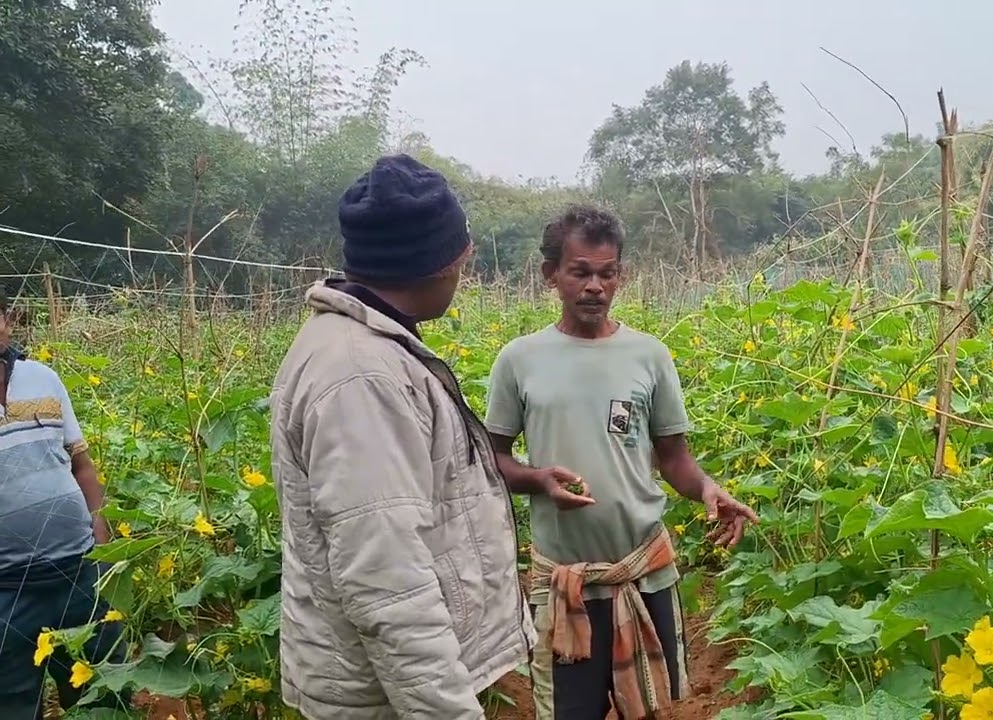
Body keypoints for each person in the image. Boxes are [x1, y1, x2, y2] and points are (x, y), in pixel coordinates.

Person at [269, 154, 534, 720]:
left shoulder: (371, 350)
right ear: (436, 263)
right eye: (463, 257)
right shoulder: (359, 376)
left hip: (386, 687)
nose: (465, 271)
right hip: (380, 698)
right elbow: (387, 581)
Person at [484, 204, 759, 720]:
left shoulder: (648, 356)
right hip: (566, 586)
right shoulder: (519, 360)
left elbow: (674, 457)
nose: (595, 285)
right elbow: (492, 459)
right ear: (551, 275)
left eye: (606, 273)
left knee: (654, 710)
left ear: (620, 276)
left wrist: (708, 490)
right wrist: (539, 479)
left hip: (645, 574)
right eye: (580, 271)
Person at [0, 289, 129, 719]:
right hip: (5, 588)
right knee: (12, 702)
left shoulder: (44, 379)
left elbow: (83, 466)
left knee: (103, 694)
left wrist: (102, 540)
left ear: (7, 322)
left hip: (80, 570)